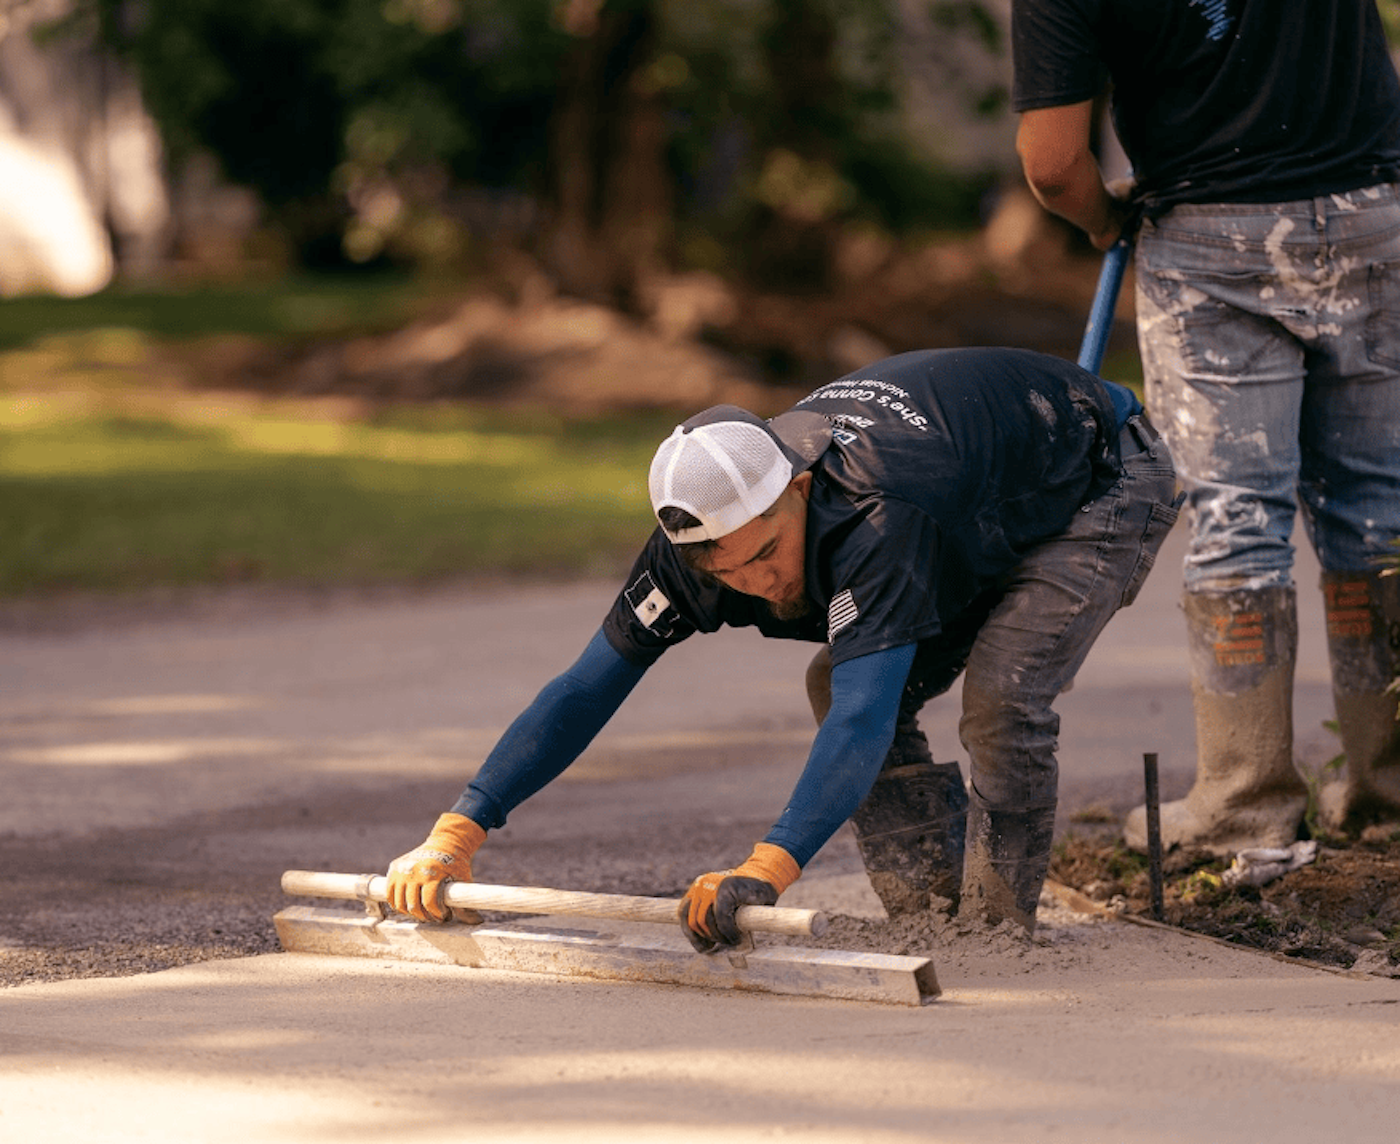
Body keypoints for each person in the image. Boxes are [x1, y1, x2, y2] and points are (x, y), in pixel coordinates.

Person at [384, 347, 1179, 947]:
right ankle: (933, 913)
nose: (755, 582)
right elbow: (584, 688)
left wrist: (768, 866)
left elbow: (864, 720)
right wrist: (460, 829)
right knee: (837, 678)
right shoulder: (699, 543)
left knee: (1003, 695)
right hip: (966, 503)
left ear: (798, 488)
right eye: (725, 569)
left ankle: (1004, 929)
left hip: (1096, 477)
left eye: (766, 554)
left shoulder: (875, 517)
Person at [1011, 0, 1400, 854]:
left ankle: (1245, 806)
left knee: (1238, 519)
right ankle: (1390, 793)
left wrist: (1103, 220)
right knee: (1378, 513)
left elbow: (1051, 163)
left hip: (1209, 237)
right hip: (1375, 212)